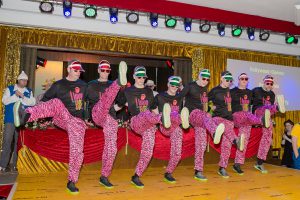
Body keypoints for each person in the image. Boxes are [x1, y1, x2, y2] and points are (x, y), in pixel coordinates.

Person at [14, 60, 88, 194]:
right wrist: (41, 114)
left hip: (78, 123)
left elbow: (92, 101)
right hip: (62, 117)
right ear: (69, 69)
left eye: (79, 71)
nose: (78, 73)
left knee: (78, 152)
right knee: (56, 102)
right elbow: (44, 102)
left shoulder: (84, 85)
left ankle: (71, 181)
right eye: (75, 70)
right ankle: (25, 116)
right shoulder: (58, 85)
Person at [115, 66, 171, 188]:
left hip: (149, 123)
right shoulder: (127, 91)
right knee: (145, 113)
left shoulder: (149, 92)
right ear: (134, 76)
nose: (141, 79)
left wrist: (158, 116)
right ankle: (162, 118)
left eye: (143, 77)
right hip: (136, 121)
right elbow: (117, 107)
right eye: (139, 77)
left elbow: (154, 108)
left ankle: (136, 176)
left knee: (148, 151)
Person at [87, 60, 127, 188]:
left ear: (109, 72)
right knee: (104, 101)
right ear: (98, 70)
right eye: (102, 69)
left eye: (107, 70)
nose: (105, 72)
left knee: (111, 148)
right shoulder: (90, 85)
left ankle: (104, 176)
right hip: (97, 113)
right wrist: (85, 117)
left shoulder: (110, 84)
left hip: (109, 117)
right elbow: (81, 102)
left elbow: (120, 104)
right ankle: (119, 81)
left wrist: (123, 103)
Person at [179, 69, 225, 181]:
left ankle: (198, 171)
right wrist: (181, 115)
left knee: (202, 145)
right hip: (192, 114)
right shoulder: (190, 86)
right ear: (199, 77)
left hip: (202, 119)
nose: (205, 81)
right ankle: (214, 132)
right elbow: (179, 97)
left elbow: (203, 104)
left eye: (207, 79)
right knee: (205, 116)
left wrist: (211, 108)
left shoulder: (205, 90)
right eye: (203, 78)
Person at [230, 73, 270, 175]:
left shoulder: (250, 92)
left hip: (246, 120)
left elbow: (256, 105)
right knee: (246, 114)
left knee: (244, 140)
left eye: (246, 78)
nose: (244, 80)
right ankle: (261, 120)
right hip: (236, 116)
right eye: (242, 78)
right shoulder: (232, 91)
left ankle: (237, 164)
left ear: (248, 81)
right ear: (238, 80)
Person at [208, 71, 245, 178]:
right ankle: (236, 140)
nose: (228, 82)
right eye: (226, 79)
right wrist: (210, 109)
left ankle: (222, 168)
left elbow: (237, 104)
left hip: (229, 119)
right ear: (221, 79)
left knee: (226, 146)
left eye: (230, 80)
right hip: (218, 118)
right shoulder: (215, 90)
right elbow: (204, 101)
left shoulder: (232, 92)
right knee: (229, 134)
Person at [155, 76, 189, 183]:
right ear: (168, 85)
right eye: (172, 85)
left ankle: (168, 172)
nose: (174, 87)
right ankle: (168, 117)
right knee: (170, 117)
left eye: (176, 85)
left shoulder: (179, 97)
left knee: (178, 153)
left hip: (175, 127)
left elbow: (187, 89)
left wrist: (181, 82)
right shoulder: (160, 97)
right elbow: (152, 110)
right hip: (164, 125)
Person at [0, 71, 36, 173]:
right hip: (10, 120)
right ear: (18, 80)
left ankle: (14, 164)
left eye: (25, 81)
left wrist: (23, 96)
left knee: (17, 143)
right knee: (7, 141)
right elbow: (4, 101)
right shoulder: (10, 89)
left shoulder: (28, 91)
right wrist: (16, 96)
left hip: (21, 121)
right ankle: (3, 165)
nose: (24, 82)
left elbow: (33, 102)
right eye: (22, 80)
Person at [252, 75, 285, 173]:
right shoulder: (256, 90)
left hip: (267, 115)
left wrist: (270, 119)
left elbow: (269, 110)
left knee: (267, 138)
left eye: (271, 84)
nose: (269, 85)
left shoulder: (272, 94)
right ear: (263, 82)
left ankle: (259, 163)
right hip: (257, 113)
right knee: (264, 109)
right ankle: (276, 108)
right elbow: (248, 103)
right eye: (267, 83)